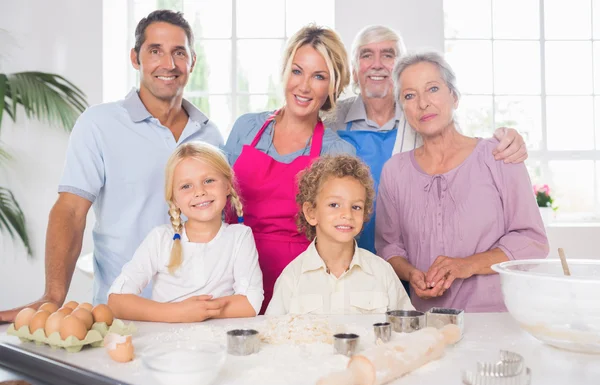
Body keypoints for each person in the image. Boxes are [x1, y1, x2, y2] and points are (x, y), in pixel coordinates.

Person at [0, 10, 223, 322]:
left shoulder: (210, 135)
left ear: (192, 61)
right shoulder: (99, 124)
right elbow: (71, 211)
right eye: (155, 51)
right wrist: (53, 295)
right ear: (136, 58)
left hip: (196, 310)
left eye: (179, 52)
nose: (168, 64)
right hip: (122, 312)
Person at [325, 25, 528, 255]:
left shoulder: (426, 117)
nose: (377, 64)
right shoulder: (332, 120)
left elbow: (462, 151)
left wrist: (507, 138)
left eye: (388, 55)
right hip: (347, 248)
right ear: (353, 70)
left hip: (414, 256)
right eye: (366, 55)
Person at [375, 51, 549, 313]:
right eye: (410, 95)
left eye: (432, 89)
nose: (423, 103)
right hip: (427, 321)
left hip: (496, 317)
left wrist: (465, 265)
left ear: (454, 97)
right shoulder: (394, 171)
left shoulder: (499, 155)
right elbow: (389, 247)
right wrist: (411, 274)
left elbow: (532, 241)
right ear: (404, 109)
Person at [224, 25, 356, 314]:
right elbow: (217, 205)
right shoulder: (246, 129)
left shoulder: (337, 153)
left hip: (302, 287)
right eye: (297, 71)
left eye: (319, 76)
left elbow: (342, 234)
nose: (304, 86)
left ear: (332, 86)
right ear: (285, 72)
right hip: (234, 280)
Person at [107, 142, 263, 322]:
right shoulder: (160, 239)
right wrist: (180, 313)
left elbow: (251, 302)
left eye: (208, 181)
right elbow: (117, 300)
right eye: (186, 186)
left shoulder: (239, 236)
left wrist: (203, 311)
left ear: (227, 185)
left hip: (218, 345)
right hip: (166, 345)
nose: (200, 192)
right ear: (174, 198)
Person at [266, 155, 412, 315]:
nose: (347, 214)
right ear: (311, 212)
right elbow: (274, 333)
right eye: (334, 205)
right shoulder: (292, 278)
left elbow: (408, 330)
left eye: (356, 207)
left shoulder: (382, 272)